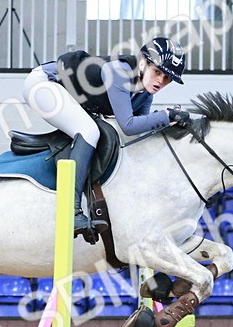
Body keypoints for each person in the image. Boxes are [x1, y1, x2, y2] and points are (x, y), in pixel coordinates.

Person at [23, 36, 191, 241]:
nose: (160, 82)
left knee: (100, 133)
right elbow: (128, 125)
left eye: (167, 79)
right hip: (44, 84)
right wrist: (166, 116)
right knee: (88, 131)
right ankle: (70, 211)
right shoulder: (118, 73)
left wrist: (171, 125)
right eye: (157, 72)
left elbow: (138, 133)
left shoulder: (145, 94)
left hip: (70, 94)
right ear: (142, 63)